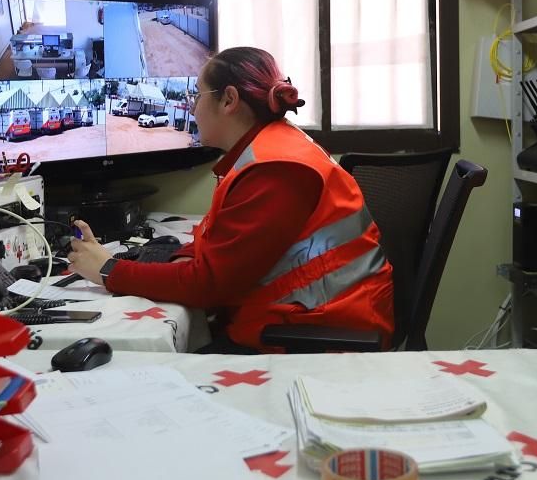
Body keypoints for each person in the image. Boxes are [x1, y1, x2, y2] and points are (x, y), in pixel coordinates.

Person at [65, 46, 395, 353]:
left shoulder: (276, 171)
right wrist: (182, 259)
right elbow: (219, 240)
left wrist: (108, 270)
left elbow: (208, 287)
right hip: (312, 316)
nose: (192, 107)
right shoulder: (267, 150)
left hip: (319, 333)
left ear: (229, 100)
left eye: (197, 95)